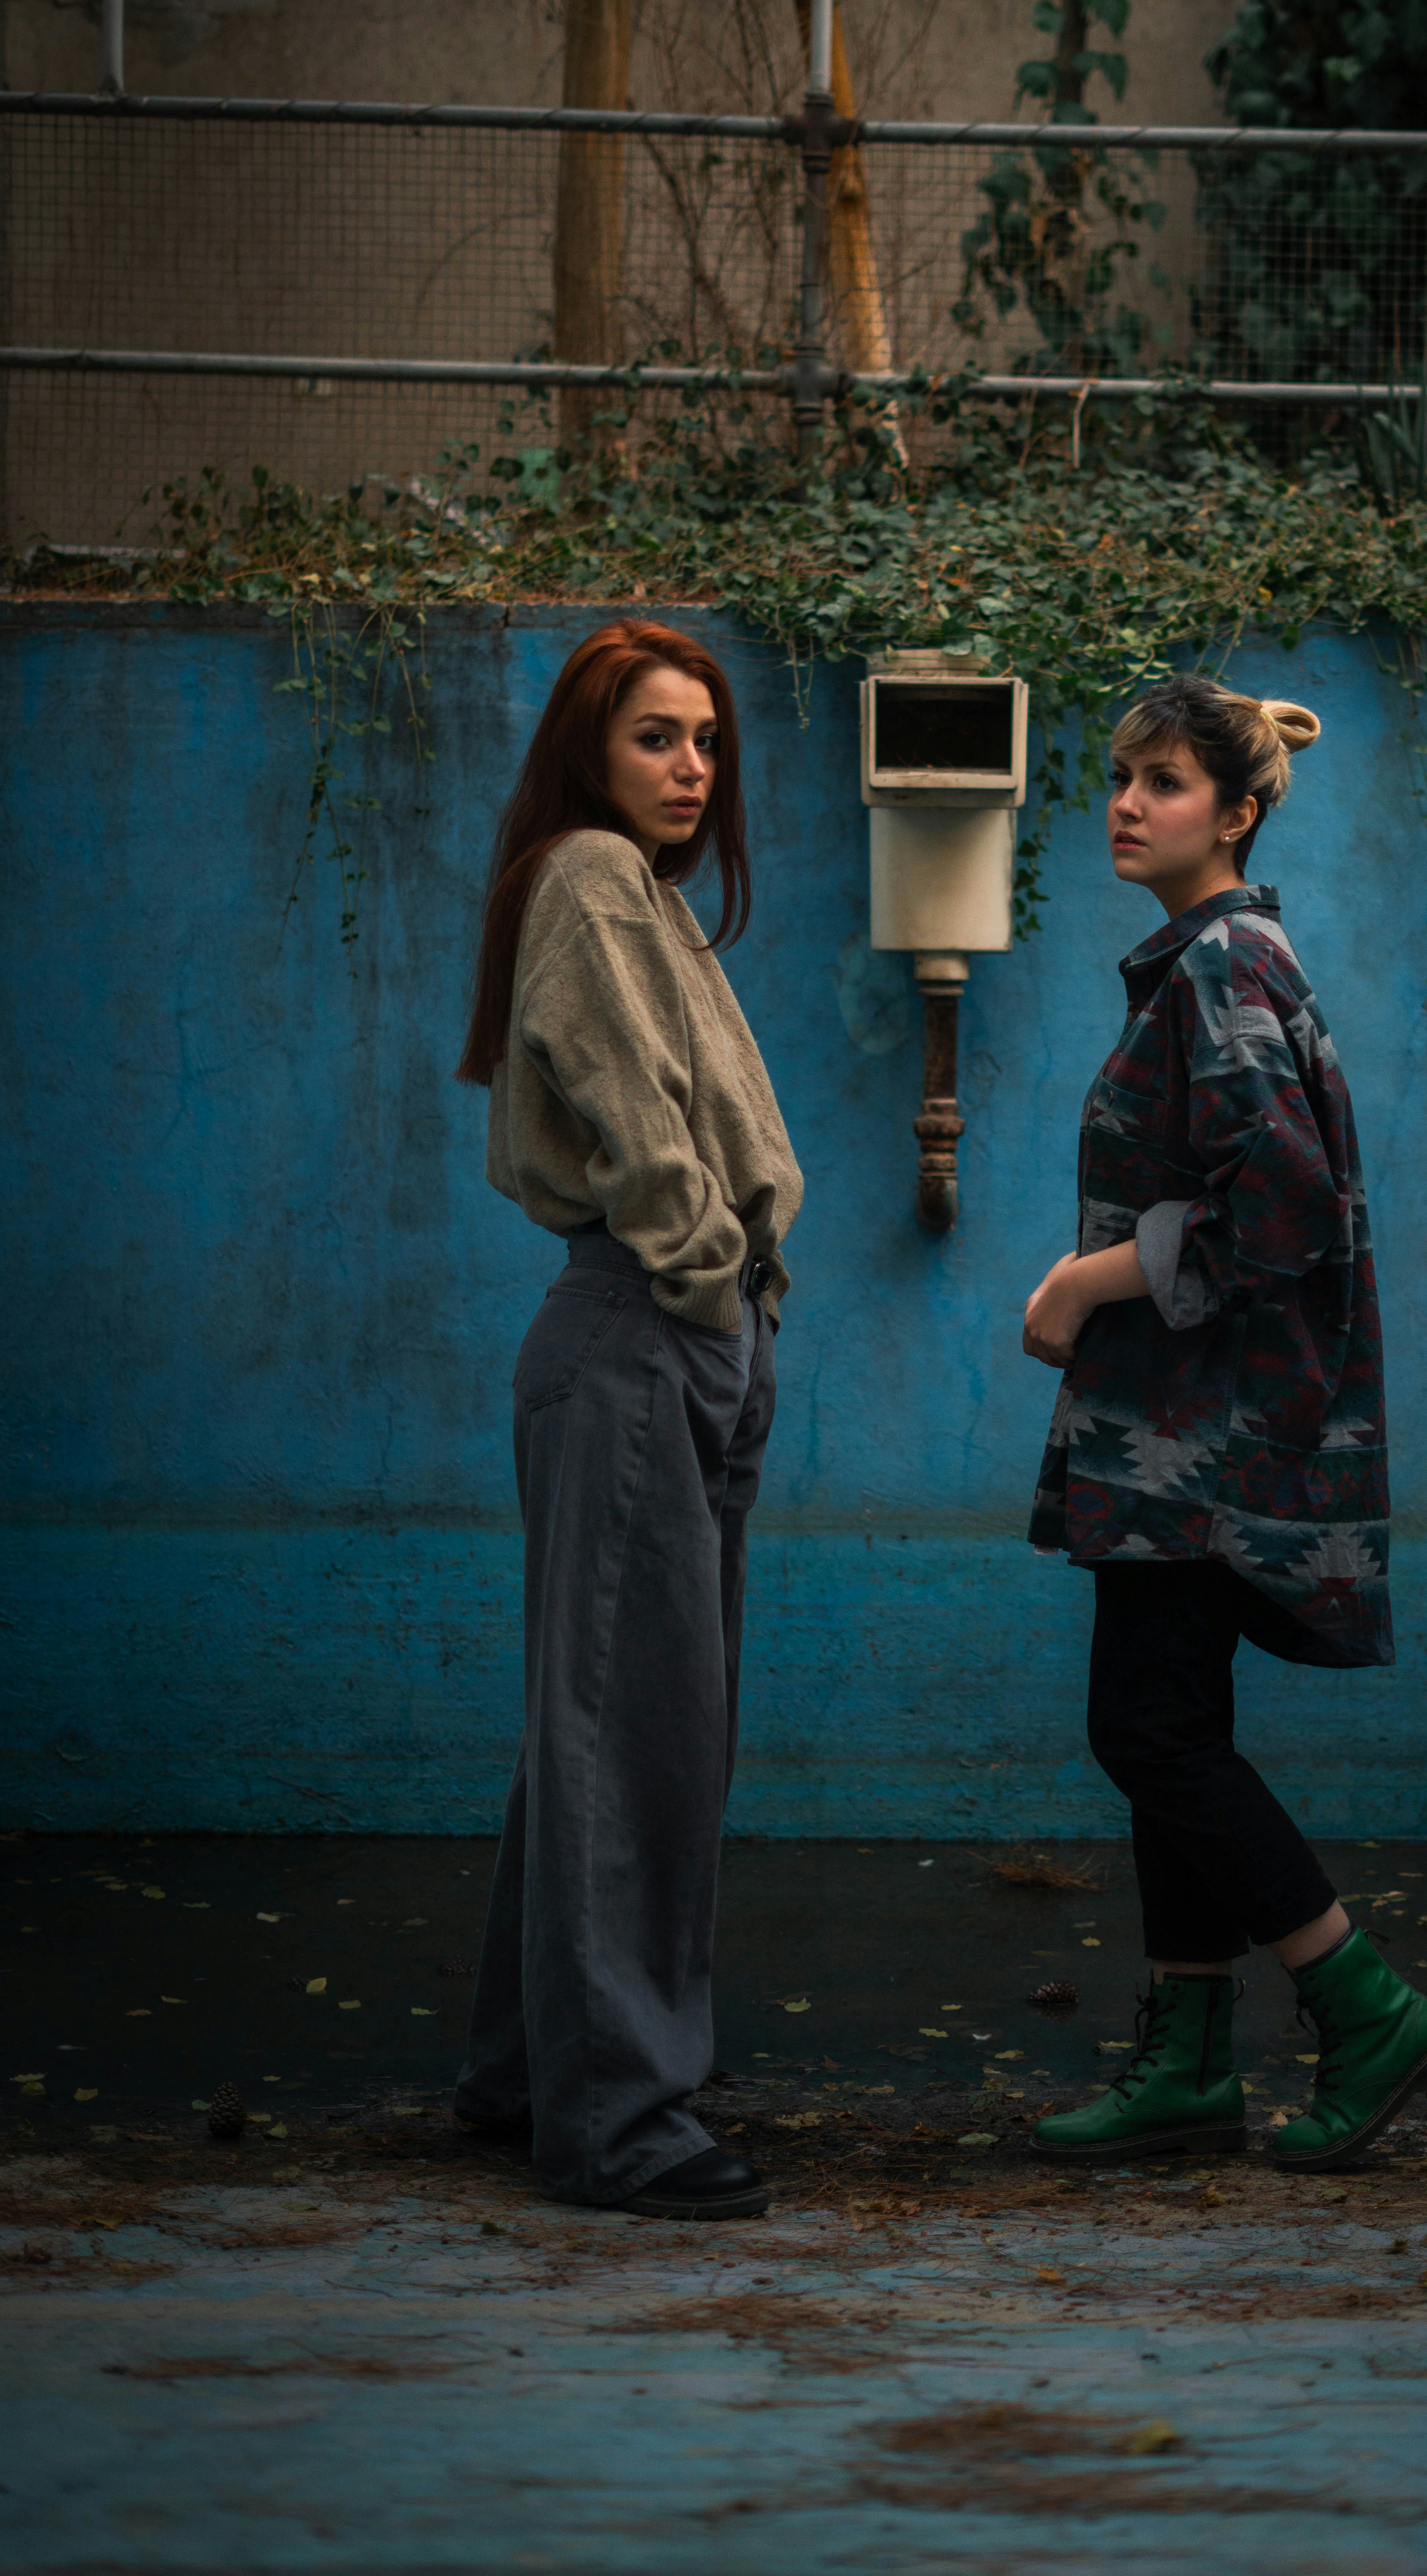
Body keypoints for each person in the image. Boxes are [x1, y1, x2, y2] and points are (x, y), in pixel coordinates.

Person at [1022, 673, 1427, 2172]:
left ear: (1238, 809)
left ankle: (1363, 2003)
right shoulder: (1205, 961)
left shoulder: (1223, 967)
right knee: (1172, 1725)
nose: (1128, 803)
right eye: (1123, 776)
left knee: (1142, 1725)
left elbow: (1276, 1212)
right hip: (1183, 1438)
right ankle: (1190, 2061)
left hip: (1203, 1443)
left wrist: (1088, 1282)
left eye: (1165, 781)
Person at [452, 618, 801, 2222]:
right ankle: (622, 2123)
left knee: (603, 1723)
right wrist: (710, 1286)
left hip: (676, 1325)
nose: (688, 768)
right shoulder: (590, 873)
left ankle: (531, 2077)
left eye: (707, 741)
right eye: (657, 735)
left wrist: (732, 1306)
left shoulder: (646, 898)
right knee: (634, 1734)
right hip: (643, 1320)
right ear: (590, 750)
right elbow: (638, 1127)